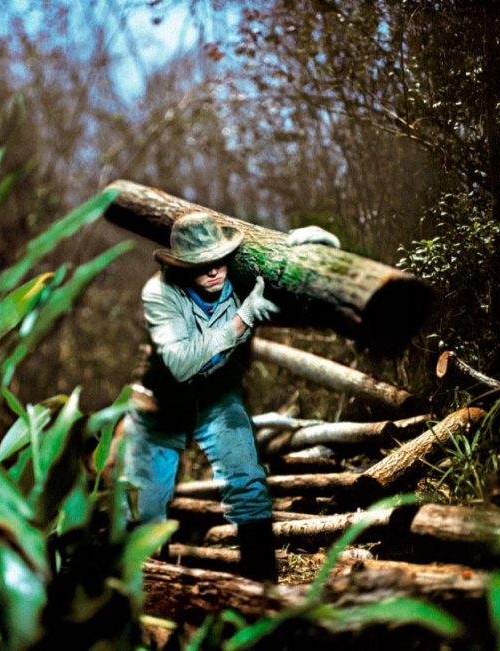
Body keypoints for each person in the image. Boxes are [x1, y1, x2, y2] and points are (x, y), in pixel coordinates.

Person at [120, 212, 338, 582]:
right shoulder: (159, 292)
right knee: (146, 506)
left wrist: (322, 253)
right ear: (181, 264)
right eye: (201, 264)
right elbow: (182, 362)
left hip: (218, 398)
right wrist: (241, 319)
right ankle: (142, 595)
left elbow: (312, 299)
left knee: (248, 483)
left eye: (218, 259)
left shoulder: (241, 278)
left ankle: (262, 592)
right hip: (162, 404)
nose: (213, 271)